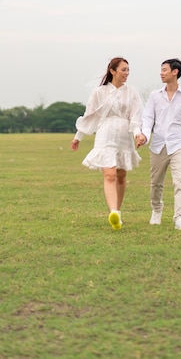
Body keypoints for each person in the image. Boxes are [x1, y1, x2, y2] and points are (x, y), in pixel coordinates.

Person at [71, 57, 143, 230]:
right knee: (109, 174)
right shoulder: (99, 92)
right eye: (123, 69)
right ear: (113, 71)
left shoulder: (132, 92)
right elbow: (90, 115)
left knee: (121, 175)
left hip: (124, 136)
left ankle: (117, 209)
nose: (127, 73)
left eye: (128, 70)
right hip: (105, 134)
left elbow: (136, 115)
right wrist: (78, 136)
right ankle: (114, 213)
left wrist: (137, 134)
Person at [136, 58, 181, 230]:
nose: (161, 73)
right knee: (156, 183)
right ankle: (156, 209)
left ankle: (180, 218)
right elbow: (147, 119)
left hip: (178, 144)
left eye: (164, 70)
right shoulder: (155, 96)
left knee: (180, 181)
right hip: (158, 145)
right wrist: (144, 136)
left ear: (175, 72)